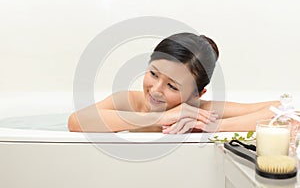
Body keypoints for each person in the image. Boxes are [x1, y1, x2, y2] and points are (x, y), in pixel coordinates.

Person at [68, 32, 279, 133]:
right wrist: (160, 117)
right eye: (153, 74)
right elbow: (76, 122)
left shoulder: (197, 110)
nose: (156, 90)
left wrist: (215, 125)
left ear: (197, 94)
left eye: (172, 86)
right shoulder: (127, 101)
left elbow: (281, 112)